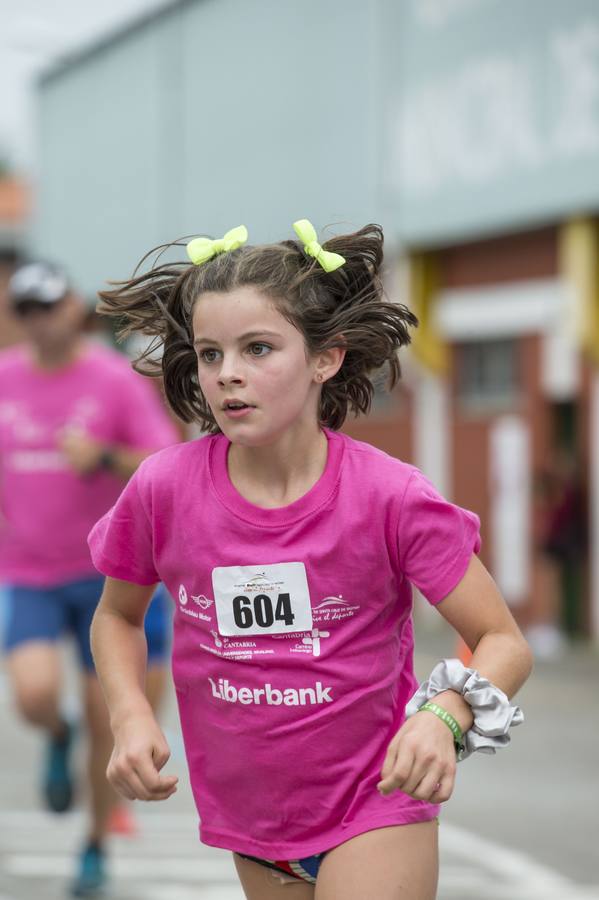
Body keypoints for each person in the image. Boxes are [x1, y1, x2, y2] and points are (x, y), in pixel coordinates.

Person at [88, 221, 533, 900]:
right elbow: (117, 618)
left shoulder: (389, 496)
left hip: (375, 800)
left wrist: (442, 716)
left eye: (257, 348)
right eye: (209, 354)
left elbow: (502, 640)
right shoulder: (163, 488)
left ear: (324, 358)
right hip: (253, 820)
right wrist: (129, 716)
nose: (227, 373)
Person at [0, 261, 179, 896]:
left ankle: (95, 846)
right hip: (28, 570)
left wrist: (102, 456)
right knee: (34, 693)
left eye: (48, 306)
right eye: (26, 309)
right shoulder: (5, 379)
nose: (38, 320)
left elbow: (164, 458)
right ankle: (55, 734)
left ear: (72, 307)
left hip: (110, 572)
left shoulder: (112, 378)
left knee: (112, 722)